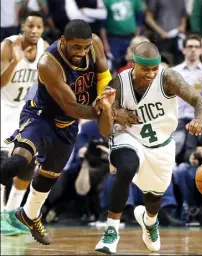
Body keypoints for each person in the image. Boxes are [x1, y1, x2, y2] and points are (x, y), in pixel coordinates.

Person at [0, 19, 138, 245]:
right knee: (18, 162)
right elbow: (71, 107)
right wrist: (110, 112)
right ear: (63, 41)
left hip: (68, 125)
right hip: (41, 118)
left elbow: (104, 76)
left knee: (47, 179)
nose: (82, 52)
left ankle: (29, 216)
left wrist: (109, 103)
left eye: (85, 47)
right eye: (76, 47)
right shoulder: (48, 62)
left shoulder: (94, 44)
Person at [94, 41, 202, 254]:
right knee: (126, 168)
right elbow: (104, 129)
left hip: (161, 145)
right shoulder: (120, 82)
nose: (150, 74)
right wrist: (110, 110)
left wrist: (200, 120)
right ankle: (111, 232)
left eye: (154, 69)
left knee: (154, 198)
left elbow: (199, 101)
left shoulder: (168, 78)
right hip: (129, 138)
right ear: (133, 64)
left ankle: (149, 222)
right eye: (145, 69)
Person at [1, 11, 48, 236]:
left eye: (38, 27)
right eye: (30, 26)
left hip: (24, 111)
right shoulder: (8, 46)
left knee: (28, 162)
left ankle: (11, 213)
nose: (34, 31)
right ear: (23, 26)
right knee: (3, 161)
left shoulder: (44, 48)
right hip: (3, 107)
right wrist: (15, 62)